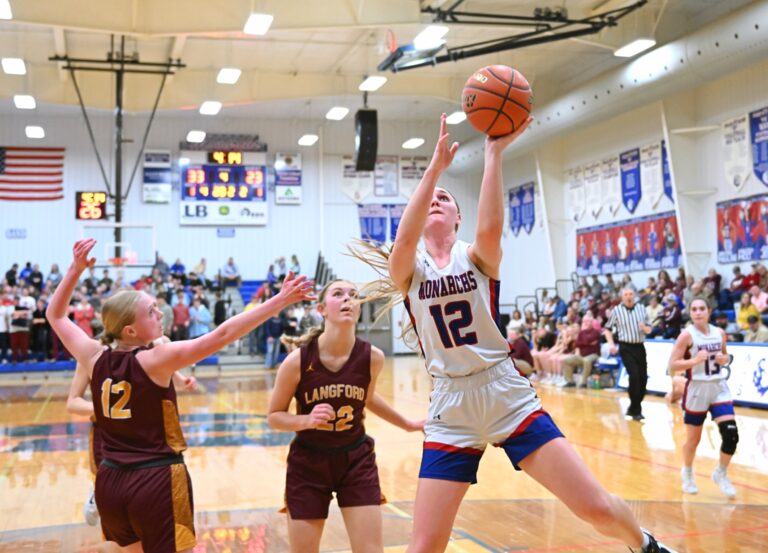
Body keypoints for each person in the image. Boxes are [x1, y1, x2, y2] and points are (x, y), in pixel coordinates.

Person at [356, 115, 677, 553]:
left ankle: (645, 544)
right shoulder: (409, 271)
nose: (436, 201)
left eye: (445, 198)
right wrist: (433, 172)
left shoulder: (476, 256)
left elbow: (490, 228)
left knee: (595, 508)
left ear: (457, 217)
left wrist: (493, 152)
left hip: (504, 390)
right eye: (432, 197)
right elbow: (403, 239)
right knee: (424, 547)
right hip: (450, 405)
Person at [46, 238, 315, 553]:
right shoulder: (156, 359)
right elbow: (223, 334)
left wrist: (75, 271)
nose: (160, 314)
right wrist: (279, 301)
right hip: (155, 478)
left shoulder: (92, 355)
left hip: (110, 480)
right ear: (130, 331)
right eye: (151, 312)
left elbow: (56, 316)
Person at [267, 280, 423, 553]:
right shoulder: (297, 362)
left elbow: (368, 397)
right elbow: (274, 416)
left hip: (356, 459)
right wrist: (306, 420)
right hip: (308, 463)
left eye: (353, 295)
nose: (348, 299)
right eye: (338, 294)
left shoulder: (373, 357)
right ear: (322, 309)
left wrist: (408, 425)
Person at [66, 337, 199, 527]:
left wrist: (185, 381)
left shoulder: (158, 344)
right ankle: (97, 492)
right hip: (108, 431)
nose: (159, 316)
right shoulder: (93, 352)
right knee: (110, 482)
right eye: (152, 311)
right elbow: (72, 403)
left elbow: (176, 381)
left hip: (147, 433)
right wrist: (107, 408)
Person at [668, 298, 738, 499]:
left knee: (731, 434)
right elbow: (672, 365)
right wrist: (694, 360)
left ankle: (721, 473)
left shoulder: (719, 333)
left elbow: (725, 356)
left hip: (718, 388)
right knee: (694, 439)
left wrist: (726, 359)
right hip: (696, 389)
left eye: (702, 309)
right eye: (694, 309)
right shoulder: (686, 336)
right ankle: (688, 472)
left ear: (709, 311)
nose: (698, 312)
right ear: (690, 313)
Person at [605, 288, 652, 421]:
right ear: (622, 297)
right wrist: (611, 344)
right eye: (626, 294)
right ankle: (636, 409)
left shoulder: (642, 308)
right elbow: (607, 329)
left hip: (640, 346)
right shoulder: (617, 310)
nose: (628, 296)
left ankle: (634, 406)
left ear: (635, 296)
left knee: (643, 378)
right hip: (626, 347)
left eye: (631, 294)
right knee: (634, 375)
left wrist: (645, 328)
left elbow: (649, 329)